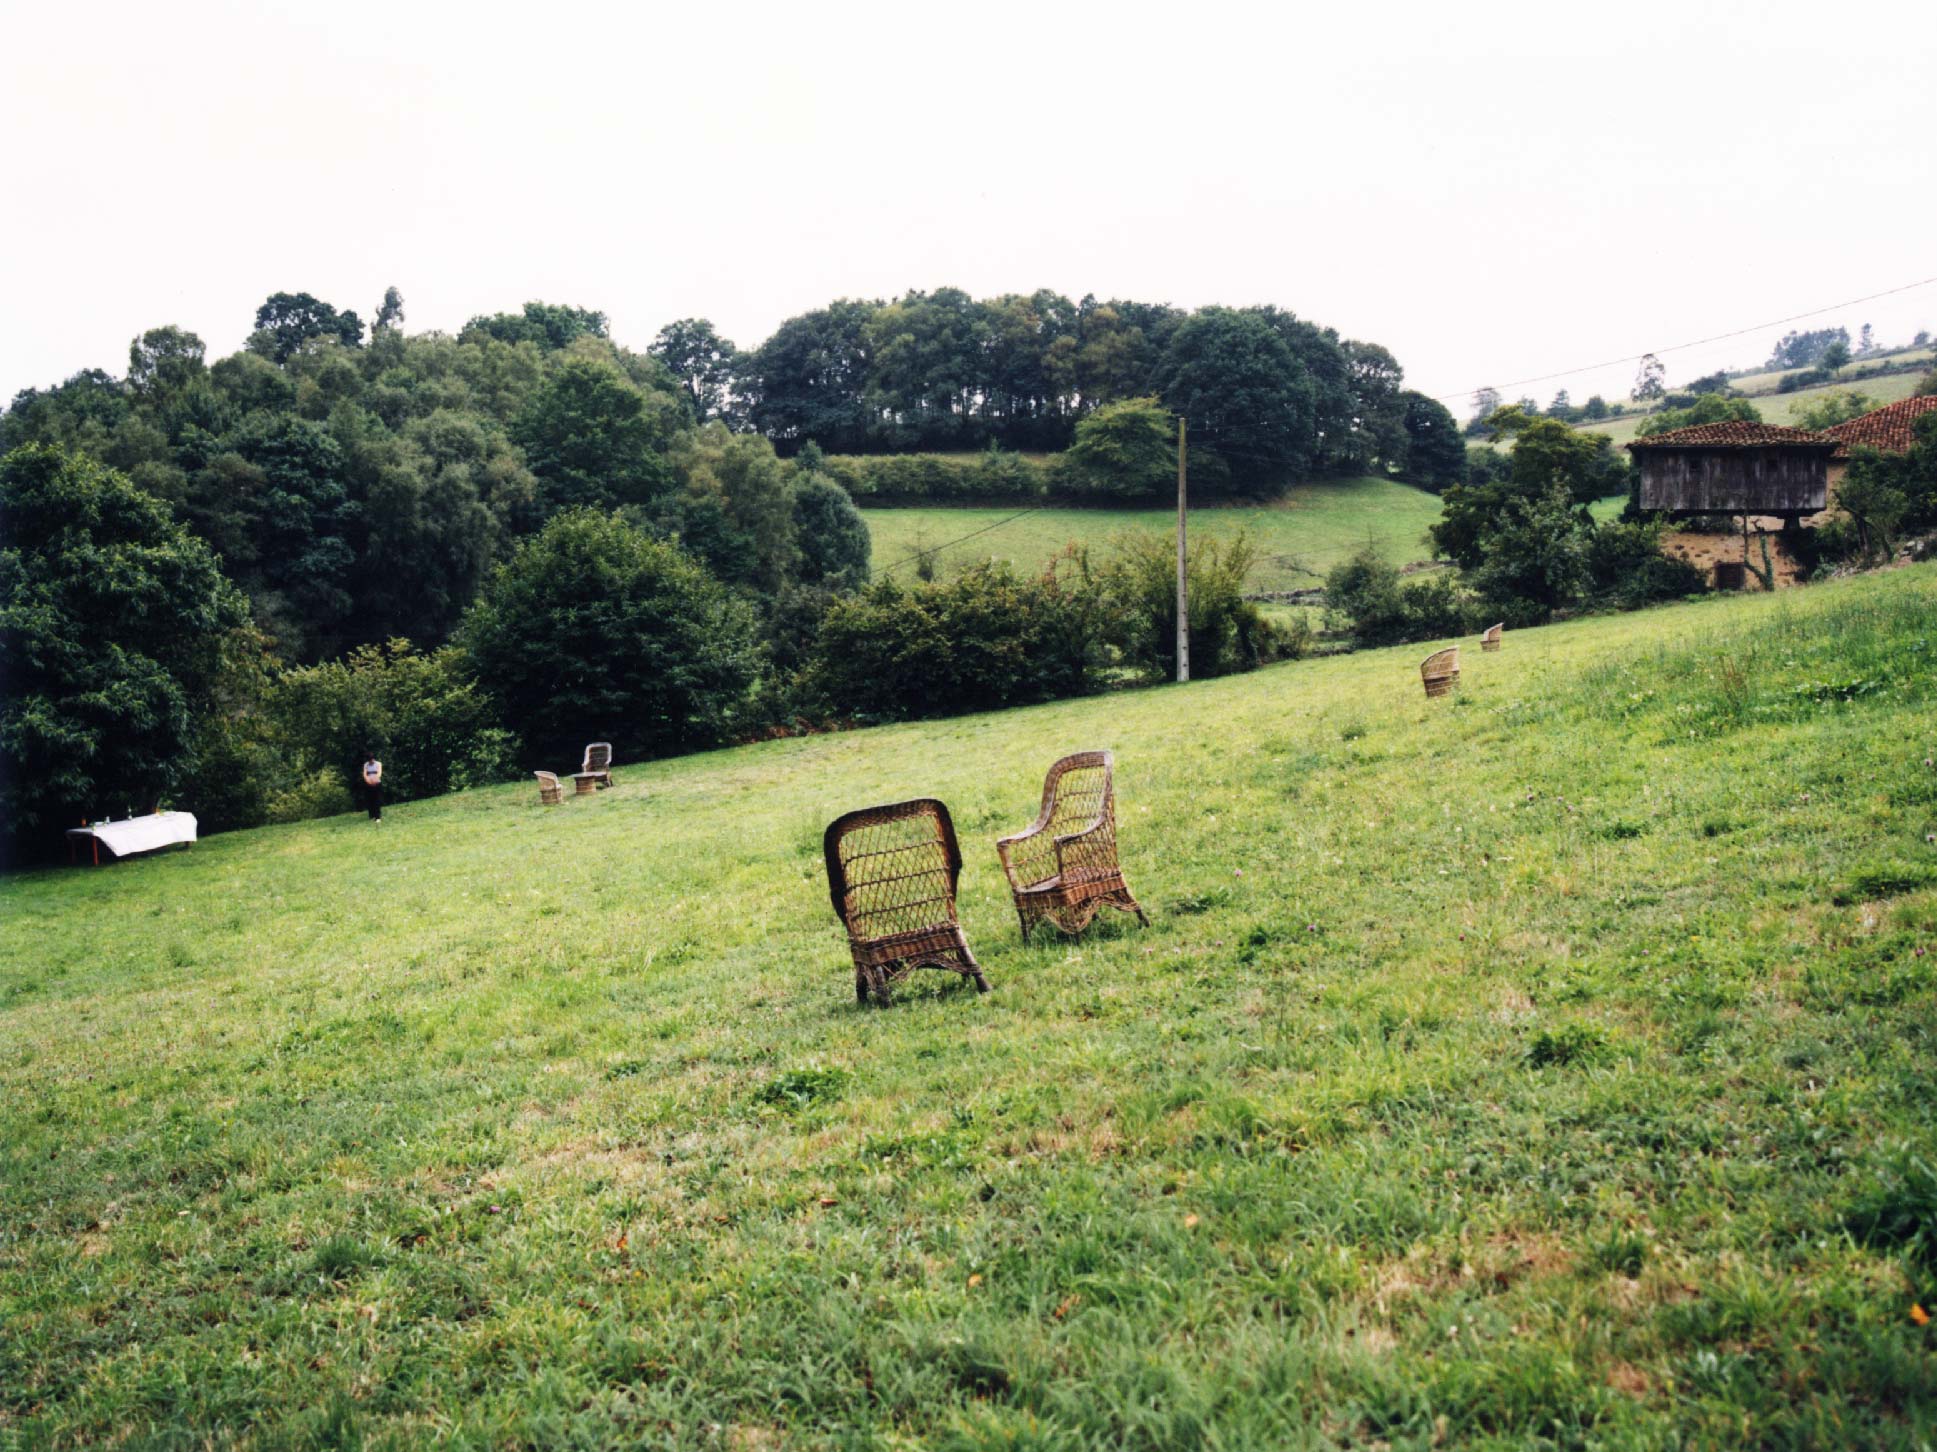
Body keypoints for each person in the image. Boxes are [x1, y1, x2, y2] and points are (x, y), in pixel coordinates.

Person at [360, 750, 383, 822]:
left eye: (372, 759)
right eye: (370, 760)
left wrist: (374, 781)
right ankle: (371, 815)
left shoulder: (378, 764)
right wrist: (368, 781)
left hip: (376, 784)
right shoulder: (366, 765)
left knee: (377, 800)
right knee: (370, 800)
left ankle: (378, 817)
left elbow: (379, 773)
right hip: (368, 784)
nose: (371, 761)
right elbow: (365, 774)